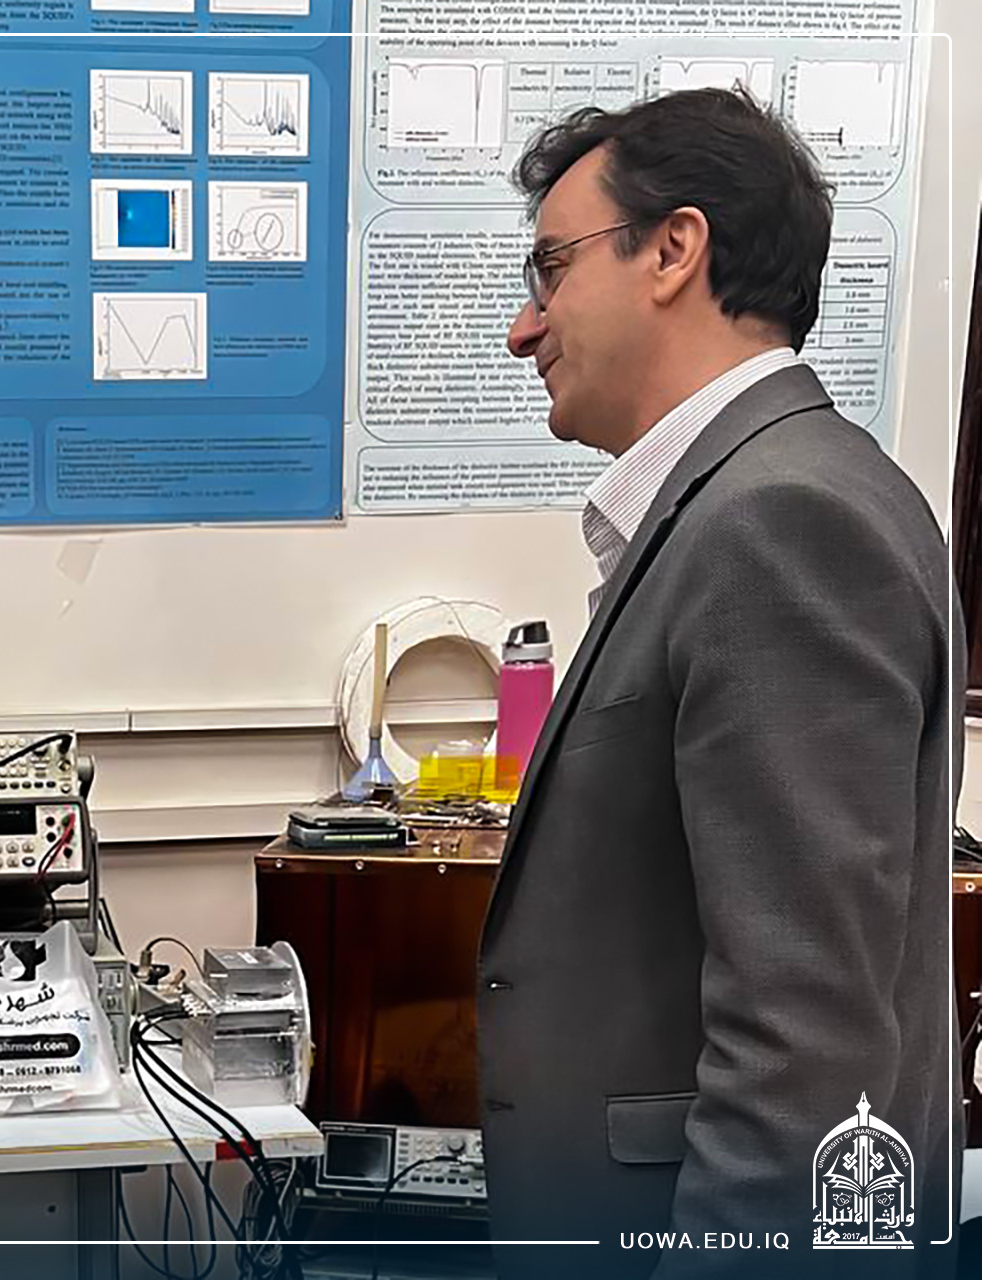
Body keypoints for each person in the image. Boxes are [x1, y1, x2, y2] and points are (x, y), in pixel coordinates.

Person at [480, 88, 955, 1279]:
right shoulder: (748, 499)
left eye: (551, 268)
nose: (524, 329)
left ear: (673, 250)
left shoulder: (779, 521)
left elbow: (803, 1051)